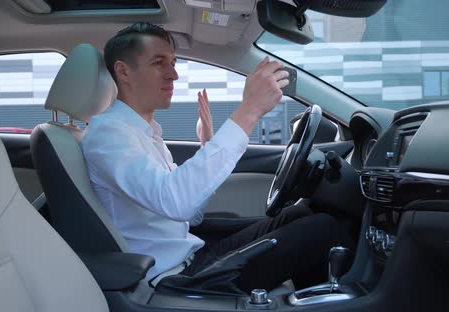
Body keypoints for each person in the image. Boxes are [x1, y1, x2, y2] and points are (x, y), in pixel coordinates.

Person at [81, 22, 352, 292]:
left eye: (173, 62)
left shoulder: (144, 132)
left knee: (302, 213)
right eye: (158, 62)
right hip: (174, 276)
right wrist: (249, 110)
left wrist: (206, 145)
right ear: (124, 71)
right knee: (324, 228)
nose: (173, 74)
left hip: (191, 254)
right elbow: (177, 203)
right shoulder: (109, 135)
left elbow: (191, 215)